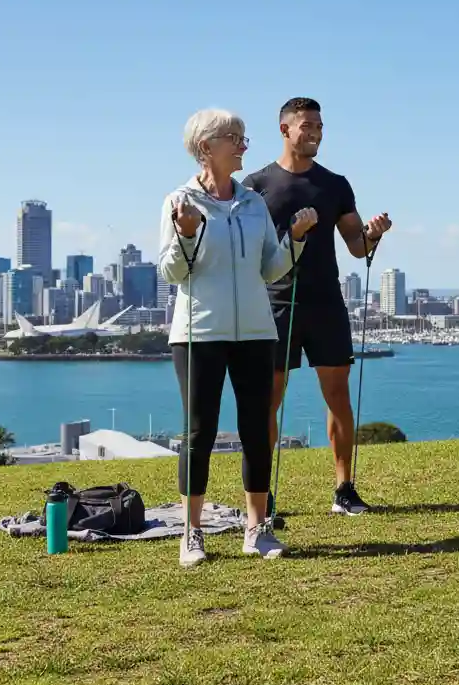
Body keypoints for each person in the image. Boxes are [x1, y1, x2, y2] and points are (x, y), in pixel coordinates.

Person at [159, 107, 318, 568]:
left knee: (255, 431)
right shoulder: (179, 201)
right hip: (198, 333)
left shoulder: (252, 203)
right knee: (198, 432)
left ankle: (257, 529)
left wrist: (297, 238)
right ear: (206, 147)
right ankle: (192, 534)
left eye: (244, 136)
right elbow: (172, 271)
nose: (245, 145)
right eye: (236, 137)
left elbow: (270, 268)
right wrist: (186, 235)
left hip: (255, 330)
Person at [243, 97, 392, 516]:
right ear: (285, 129)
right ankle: (262, 496)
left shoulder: (335, 184)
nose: (315, 133)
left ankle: (344, 490)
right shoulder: (255, 186)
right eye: (307, 126)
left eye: (320, 127)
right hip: (274, 302)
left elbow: (357, 246)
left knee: (338, 397)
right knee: (268, 400)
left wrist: (374, 234)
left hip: (326, 302)